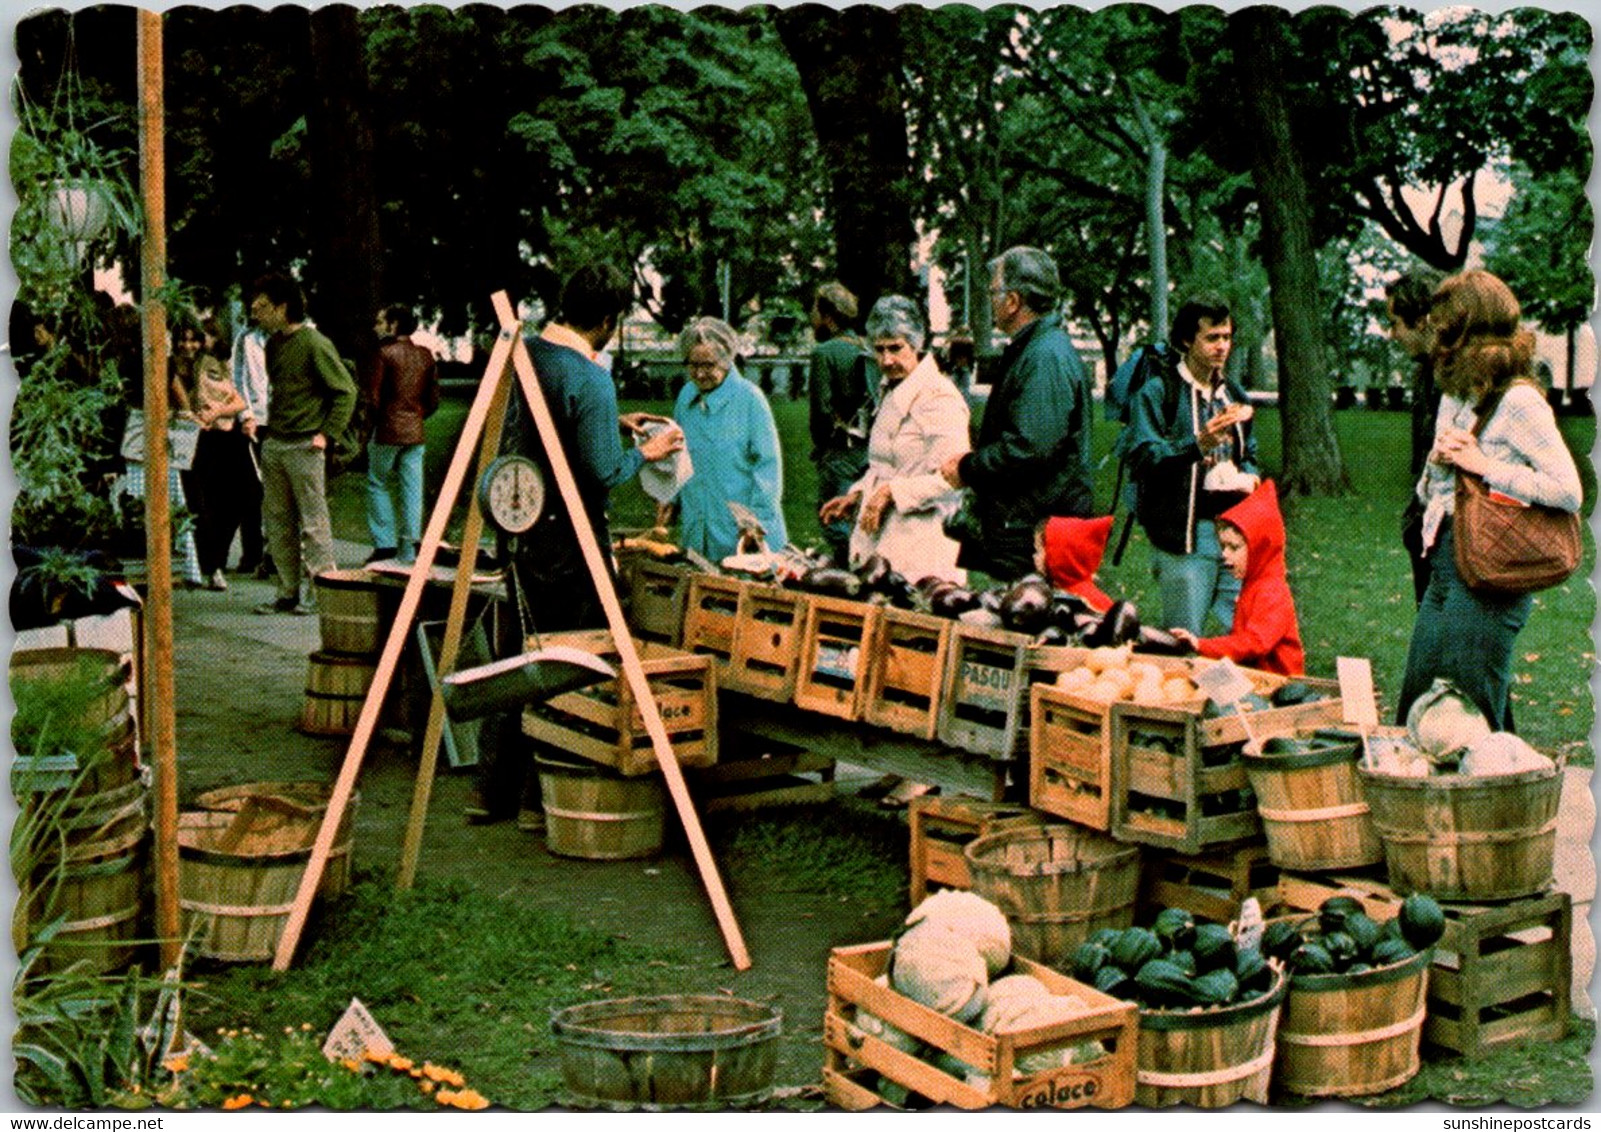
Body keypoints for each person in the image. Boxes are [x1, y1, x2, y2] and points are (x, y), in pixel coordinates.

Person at [473, 263, 683, 827]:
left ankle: (490, 789)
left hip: (517, 519)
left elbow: (550, 427)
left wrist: (612, 421)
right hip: (567, 540)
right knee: (567, 662)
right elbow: (604, 471)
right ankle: (538, 801)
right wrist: (649, 451)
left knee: (513, 652)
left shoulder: (528, 353)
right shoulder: (588, 377)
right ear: (610, 321)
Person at [1395, 270, 1581, 732]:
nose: (1435, 331)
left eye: (1443, 323)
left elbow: (1568, 491)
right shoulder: (1455, 393)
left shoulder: (1519, 401)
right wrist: (1438, 464)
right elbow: (1432, 490)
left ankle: (1499, 803)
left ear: (1465, 327)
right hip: (1444, 563)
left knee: (1467, 722)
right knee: (1417, 709)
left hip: (1489, 572)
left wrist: (1483, 465)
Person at [939, 246, 1094, 581]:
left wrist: (968, 467)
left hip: (1034, 534)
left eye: (994, 292)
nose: (991, 300)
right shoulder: (1035, 349)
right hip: (1025, 524)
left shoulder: (1044, 356)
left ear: (1012, 301)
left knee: (1024, 622)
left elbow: (1028, 448)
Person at [1123, 294, 1259, 635]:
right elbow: (1143, 459)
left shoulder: (1235, 395)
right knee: (1184, 639)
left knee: (1246, 635)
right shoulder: (1159, 392)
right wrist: (1196, 446)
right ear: (1187, 340)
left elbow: (1250, 454)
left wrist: (1251, 477)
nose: (1222, 346)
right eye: (1211, 338)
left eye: (1226, 337)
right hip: (1184, 535)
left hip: (1233, 534)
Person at [818, 295, 969, 583]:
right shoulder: (890, 389)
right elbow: (882, 463)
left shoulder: (940, 398)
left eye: (896, 348)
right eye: (879, 350)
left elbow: (953, 480)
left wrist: (891, 492)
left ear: (916, 344)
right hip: (880, 542)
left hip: (922, 548)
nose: (887, 360)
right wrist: (859, 494)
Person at [246, 273, 359, 616]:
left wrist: (326, 435)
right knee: (278, 522)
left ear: (283, 308)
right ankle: (287, 591)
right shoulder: (274, 345)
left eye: (263, 307)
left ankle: (322, 591)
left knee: (313, 522)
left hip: (305, 445)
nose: (256, 314)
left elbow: (345, 392)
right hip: (276, 443)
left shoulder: (314, 343)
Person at [669, 317, 787, 562]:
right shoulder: (686, 396)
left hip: (740, 530)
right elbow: (677, 453)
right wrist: (672, 499)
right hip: (698, 522)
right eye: (693, 365)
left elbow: (768, 468)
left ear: (726, 360)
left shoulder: (750, 399)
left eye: (709, 365)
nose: (700, 374)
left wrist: (756, 522)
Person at [1169, 479, 1304, 677]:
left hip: (1279, 687)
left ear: (1260, 548)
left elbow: (1255, 643)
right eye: (1223, 546)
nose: (1224, 555)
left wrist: (1201, 644)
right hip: (1253, 678)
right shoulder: (1252, 584)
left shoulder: (1272, 592)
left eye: (1234, 548)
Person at [174, 317, 250, 591]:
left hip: (216, 438)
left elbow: (236, 399)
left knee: (225, 503)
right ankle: (209, 565)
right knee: (198, 506)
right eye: (183, 339)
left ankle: (213, 563)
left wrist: (216, 412)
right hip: (186, 440)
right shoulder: (167, 366)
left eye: (194, 339)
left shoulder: (210, 364)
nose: (188, 345)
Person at [363, 303, 440, 564]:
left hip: (387, 430)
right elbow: (433, 401)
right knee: (412, 490)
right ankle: (410, 551)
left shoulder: (384, 353)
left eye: (380, 321)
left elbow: (373, 398)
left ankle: (384, 545)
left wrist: (374, 423)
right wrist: (415, 416)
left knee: (378, 482)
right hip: (415, 431)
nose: (376, 326)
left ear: (393, 325)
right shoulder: (426, 355)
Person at [807, 282, 876, 564]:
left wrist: (822, 446)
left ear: (827, 316)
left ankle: (851, 575)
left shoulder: (824, 353)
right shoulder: (867, 349)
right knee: (859, 517)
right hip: (868, 451)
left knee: (832, 518)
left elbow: (821, 412)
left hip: (839, 451)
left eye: (815, 311)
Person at [1388, 268, 1445, 604]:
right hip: (1427, 527)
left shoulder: (1455, 378)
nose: (1392, 334)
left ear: (1421, 320)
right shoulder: (1425, 372)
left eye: (1395, 323)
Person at [230, 309, 271, 576]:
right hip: (257, 419)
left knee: (279, 491)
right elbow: (238, 377)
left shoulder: (300, 334)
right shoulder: (247, 338)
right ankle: (253, 552)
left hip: (284, 418)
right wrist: (246, 415)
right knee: (252, 491)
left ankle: (277, 554)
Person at [1034, 515, 1116, 613]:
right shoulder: (1058, 586)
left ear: (1058, 557)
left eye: (1038, 551)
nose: (1034, 556)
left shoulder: (1089, 604)